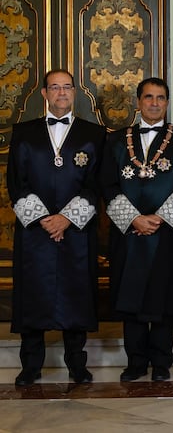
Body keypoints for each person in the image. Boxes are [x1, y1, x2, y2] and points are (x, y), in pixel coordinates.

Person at [6, 70, 107, 386]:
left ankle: (77, 364)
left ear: (75, 92)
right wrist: (44, 219)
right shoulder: (24, 132)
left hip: (76, 230)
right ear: (44, 94)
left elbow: (98, 184)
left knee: (75, 294)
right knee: (32, 295)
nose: (61, 92)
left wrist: (67, 218)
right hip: (34, 231)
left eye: (67, 87)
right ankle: (30, 366)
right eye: (55, 87)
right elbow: (15, 183)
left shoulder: (94, 134)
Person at [102, 77, 173, 382]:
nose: (154, 103)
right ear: (138, 101)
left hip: (166, 234)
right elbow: (107, 184)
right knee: (131, 298)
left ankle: (161, 363)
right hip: (128, 235)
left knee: (163, 299)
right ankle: (135, 363)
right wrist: (133, 219)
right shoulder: (116, 140)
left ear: (167, 103)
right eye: (148, 97)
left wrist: (156, 220)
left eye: (160, 98)